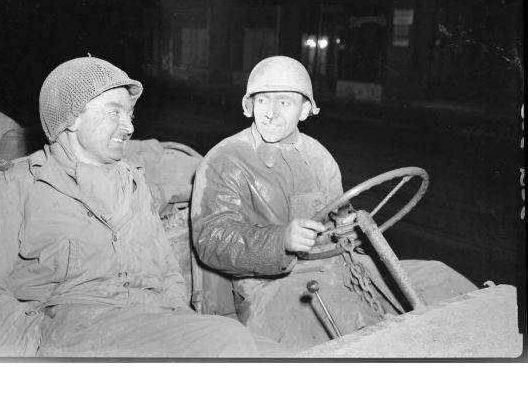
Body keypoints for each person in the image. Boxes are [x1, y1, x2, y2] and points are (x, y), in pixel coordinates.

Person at [0, 56, 259, 358]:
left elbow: (167, 272)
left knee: (269, 352)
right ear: (72, 118)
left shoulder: (133, 181)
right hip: (72, 329)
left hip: (151, 321)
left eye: (130, 115)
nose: (128, 126)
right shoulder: (17, 184)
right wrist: (29, 353)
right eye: (115, 112)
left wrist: (179, 316)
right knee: (228, 341)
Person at [191, 56, 477, 352]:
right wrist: (281, 241)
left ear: (304, 110)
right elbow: (211, 240)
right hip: (272, 288)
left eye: (284, 103)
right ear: (249, 105)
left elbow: (339, 222)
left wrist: (349, 228)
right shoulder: (227, 159)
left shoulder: (318, 156)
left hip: (340, 268)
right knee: (364, 330)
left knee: (443, 281)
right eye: (262, 101)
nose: (271, 114)